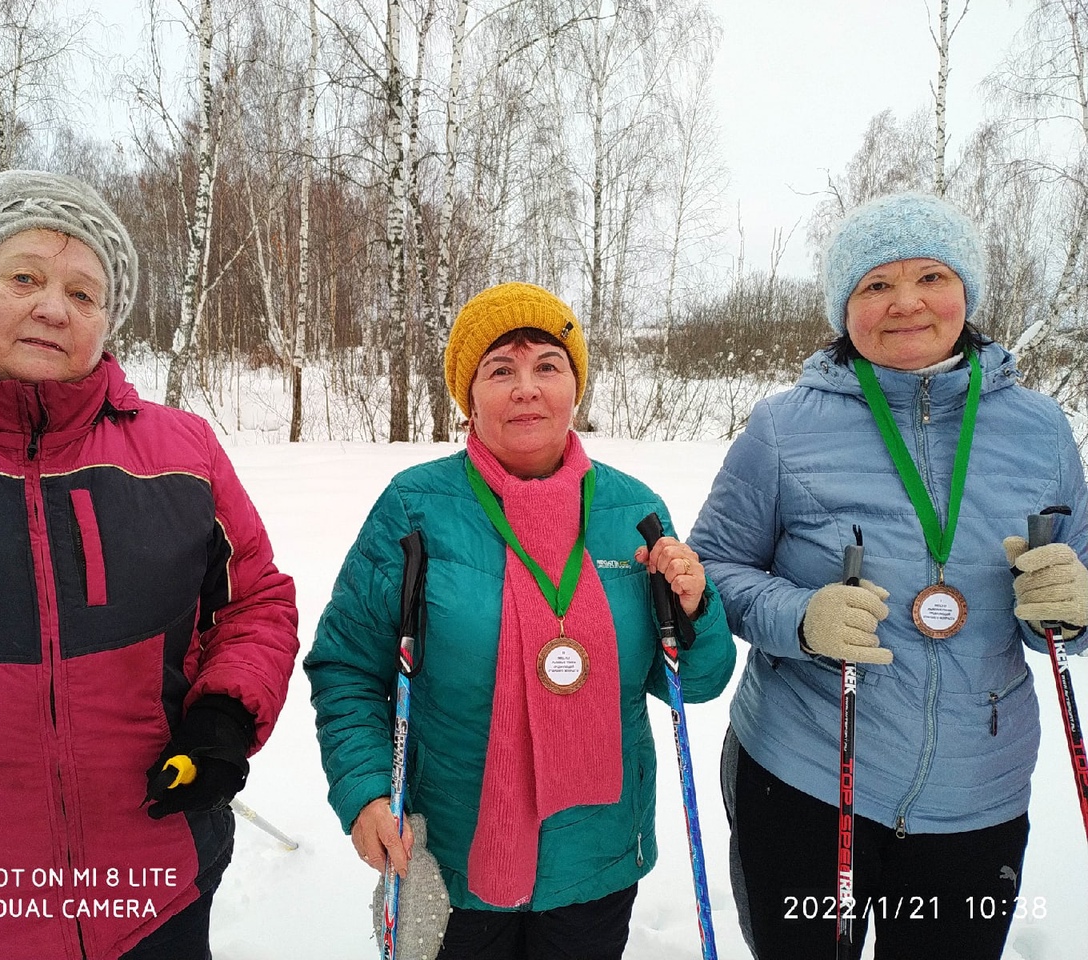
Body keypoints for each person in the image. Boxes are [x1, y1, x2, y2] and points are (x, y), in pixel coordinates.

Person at [0, 170, 299, 960]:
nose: (54, 307)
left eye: (85, 292)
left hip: (152, 894)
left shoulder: (182, 453)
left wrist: (224, 717)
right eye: (25, 276)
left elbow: (256, 602)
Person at [687, 192, 1088, 959]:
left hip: (978, 792)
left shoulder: (1040, 430)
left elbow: (1076, 579)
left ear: (966, 293)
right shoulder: (784, 428)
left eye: (931, 276)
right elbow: (712, 569)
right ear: (845, 309)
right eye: (876, 285)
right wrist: (801, 616)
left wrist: (1075, 601)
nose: (906, 303)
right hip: (803, 775)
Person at [304, 281, 735, 960]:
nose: (526, 388)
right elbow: (348, 669)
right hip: (452, 851)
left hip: (596, 857)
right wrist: (363, 795)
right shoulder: (414, 509)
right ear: (468, 396)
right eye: (500, 370)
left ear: (575, 386)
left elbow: (698, 681)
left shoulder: (634, 512)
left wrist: (695, 609)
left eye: (547, 366)